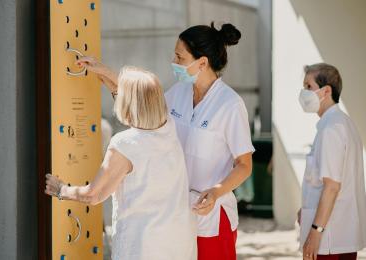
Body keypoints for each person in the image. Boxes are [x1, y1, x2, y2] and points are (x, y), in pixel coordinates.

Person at [77, 22, 255, 260]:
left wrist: (216, 192)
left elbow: (244, 165)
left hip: (211, 216)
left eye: (180, 57)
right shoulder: (178, 92)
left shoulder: (230, 105)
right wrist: (106, 74)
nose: (174, 62)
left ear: (202, 63)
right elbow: (142, 105)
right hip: (176, 213)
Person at [45, 66, 197, 260]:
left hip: (143, 247)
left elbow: (94, 194)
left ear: (128, 103)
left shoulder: (125, 144)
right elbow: (143, 101)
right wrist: (113, 83)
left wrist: (60, 189)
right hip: (178, 244)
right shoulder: (168, 127)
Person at [298, 63, 366, 260]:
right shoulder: (341, 123)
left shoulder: (331, 129)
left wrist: (315, 232)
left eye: (308, 87)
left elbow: (332, 187)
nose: (303, 92)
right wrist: (306, 209)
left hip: (329, 240)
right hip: (338, 236)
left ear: (326, 91)